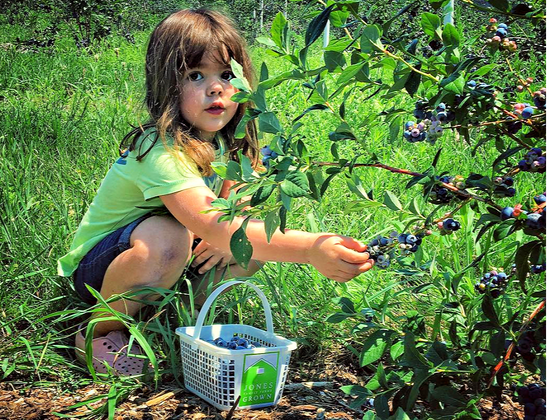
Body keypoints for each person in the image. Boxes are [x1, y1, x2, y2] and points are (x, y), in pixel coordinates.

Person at [56, 8, 373, 376]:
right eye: (195, 75)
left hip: (165, 260)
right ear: (167, 85)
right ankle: (99, 330)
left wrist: (229, 234)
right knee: (171, 236)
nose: (216, 88)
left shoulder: (231, 142)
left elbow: (235, 210)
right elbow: (213, 224)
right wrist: (310, 248)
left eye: (226, 74)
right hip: (101, 270)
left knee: (245, 252)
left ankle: (177, 327)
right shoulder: (160, 150)